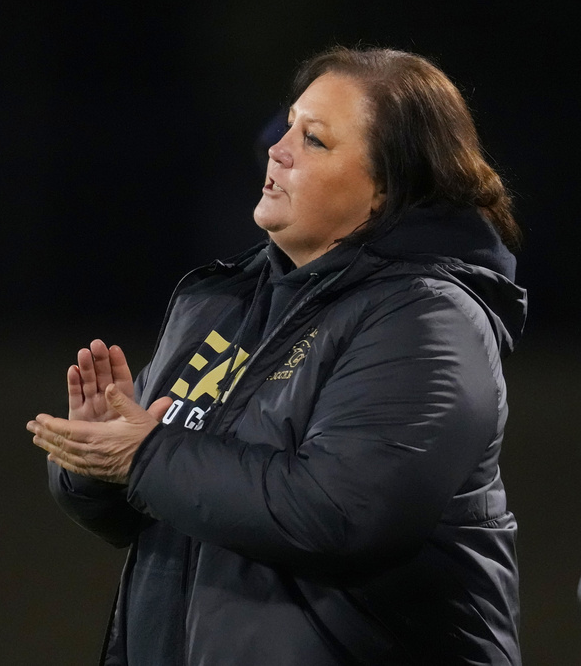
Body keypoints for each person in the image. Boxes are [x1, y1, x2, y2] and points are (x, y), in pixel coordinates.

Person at [28, 46, 526, 665]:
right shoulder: (221, 304)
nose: (278, 148)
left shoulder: (427, 319)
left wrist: (146, 455)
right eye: (287, 125)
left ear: (384, 193)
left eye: (313, 141)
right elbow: (162, 507)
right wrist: (96, 462)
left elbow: (343, 516)